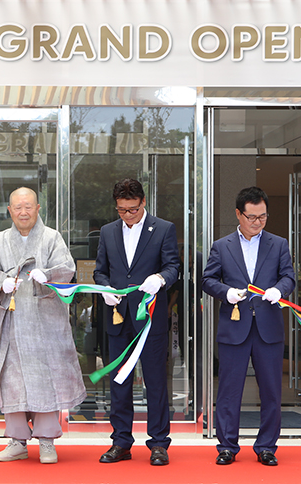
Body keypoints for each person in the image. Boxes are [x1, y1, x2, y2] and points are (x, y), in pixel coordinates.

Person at [0, 187, 87, 464]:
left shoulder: (52, 238)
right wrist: (1, 282)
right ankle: (17, 441)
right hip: (14, 322)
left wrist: (48, 275)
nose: (23, 212)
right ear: (10, 211)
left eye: (28, 206)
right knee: (13, 379)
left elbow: (67, 268)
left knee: (45, 380)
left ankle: (47, 441)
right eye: (18, 207)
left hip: (46, 324)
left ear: (38, 208)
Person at [202, 186, 294, 467]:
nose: (257, 222)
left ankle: (267, 446)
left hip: (268, 328)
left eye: (263, 217)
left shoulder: (278, 244)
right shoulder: (222, 246)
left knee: (271, 391)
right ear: (238, 215)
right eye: (252, 217)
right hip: (234, 327)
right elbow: (207, 280)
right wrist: (225, 293)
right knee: (229, 390)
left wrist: (279, 290)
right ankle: (227, 446)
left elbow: (289, 277)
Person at [92, 178, 180, 466]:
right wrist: (105, 289)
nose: (127, 216)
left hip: (150, 317)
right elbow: (100, 271)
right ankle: (121, 441)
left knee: (155, 382)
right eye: (121, 210)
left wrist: (160, 278)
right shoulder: (107, 232)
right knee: (120, 381)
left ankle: (158, 443)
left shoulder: (163, 229)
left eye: (132, 209)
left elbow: (173, 267)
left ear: (143, 203)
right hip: (118, 317)